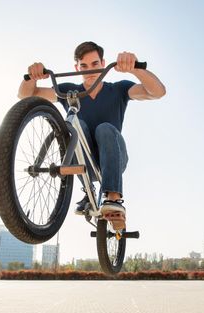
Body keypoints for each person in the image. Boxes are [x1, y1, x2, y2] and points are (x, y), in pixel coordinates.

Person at [18, 41, 166, 224]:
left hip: (113, 158)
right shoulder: (68, 92)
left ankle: (113, 198)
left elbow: (157, 92)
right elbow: (25, 96)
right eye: (84, 66)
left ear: (103, 64)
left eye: (95, 64)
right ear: (76, 68)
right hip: (82, 163)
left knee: (104, 128)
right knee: (76, 123)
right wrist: (32, 77)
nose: (90, 71)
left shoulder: (118, 89)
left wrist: (135, 68)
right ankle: (88, 192)